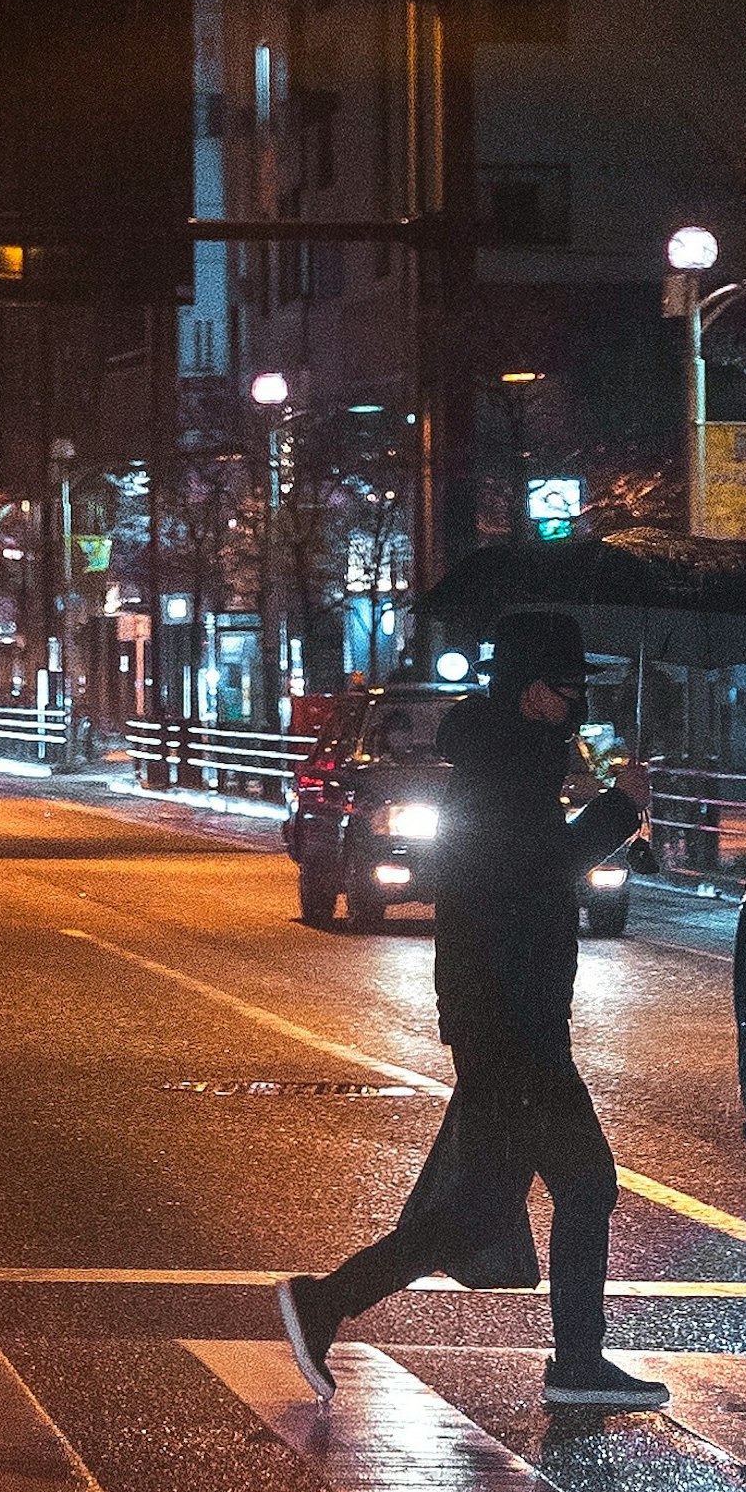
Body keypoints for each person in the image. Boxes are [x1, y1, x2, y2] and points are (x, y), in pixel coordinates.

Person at [275, 606, 660, 1418]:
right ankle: (569, 1359)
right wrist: (620, 810)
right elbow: (539, 870)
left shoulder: (515, 757)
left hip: (512, 1014)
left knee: (498, 1203)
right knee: (579, 1183)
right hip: (509, 1018)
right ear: (529, 691)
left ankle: (336, 1302)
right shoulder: (502, 772)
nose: (576, 702)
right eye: (564, 687)